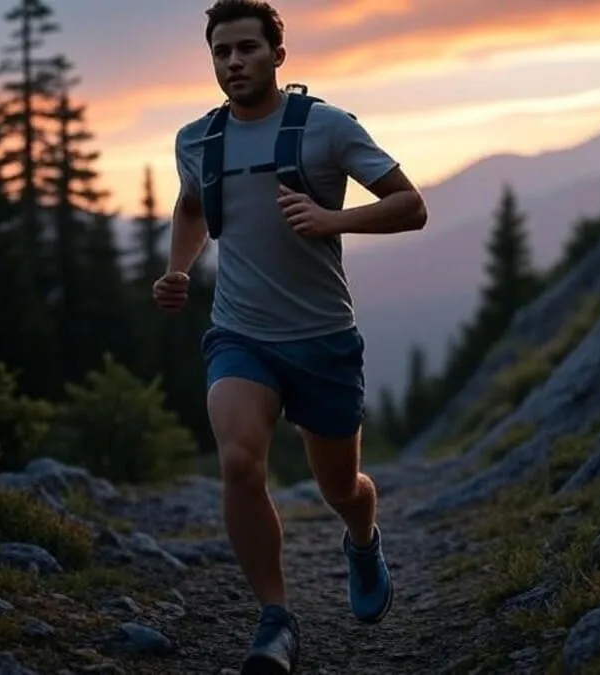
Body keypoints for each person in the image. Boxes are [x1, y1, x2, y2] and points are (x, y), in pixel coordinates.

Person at [151, 1, 427, 673]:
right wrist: (179, 268)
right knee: (240, 462)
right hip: (240, 335)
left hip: (324, 337)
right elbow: (192, 206)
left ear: (278, 54)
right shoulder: (198, 140)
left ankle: (362, 537)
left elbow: (411, 206)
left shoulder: (326, 127)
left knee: (340, 486)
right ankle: (275, 620)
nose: (234, 62)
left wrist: (332, 218)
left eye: (247, 48)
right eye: (223, 52)